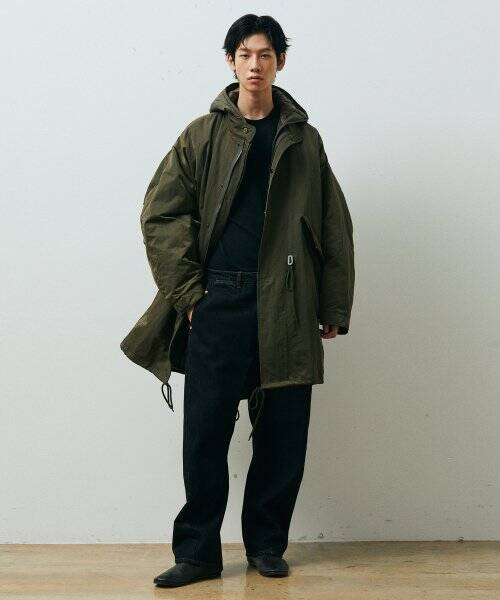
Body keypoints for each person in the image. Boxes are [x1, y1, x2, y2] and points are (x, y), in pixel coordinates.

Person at [120, 13, 355, 588]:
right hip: (218, 301)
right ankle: (198, 554)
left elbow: (333, 225)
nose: (255, 65)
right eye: (246, 54)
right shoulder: (202, 135)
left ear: (280, 63)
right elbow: (161, 215)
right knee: (205, 434)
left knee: (283, 435)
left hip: (289, 303)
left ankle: (266, 546)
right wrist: (190, 295)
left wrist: (333, 305)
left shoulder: (304, 139)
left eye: (266, 55)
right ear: (231, 61)